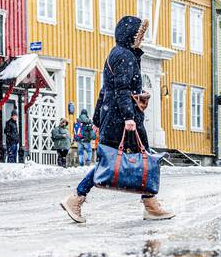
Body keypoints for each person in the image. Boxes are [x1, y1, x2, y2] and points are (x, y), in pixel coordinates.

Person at [60, 15, 175, 223]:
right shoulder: (125, 56)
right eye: (139, 34)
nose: (141, 38)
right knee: (141, 157)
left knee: (112, 160)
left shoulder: (117, 53)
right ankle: (150, 205)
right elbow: (121, 89)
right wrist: (129, 117)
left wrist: (96, 119)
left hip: (112, 115)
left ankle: (78, 197)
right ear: (131, 35)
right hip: (122, 117)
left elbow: (105, 90)